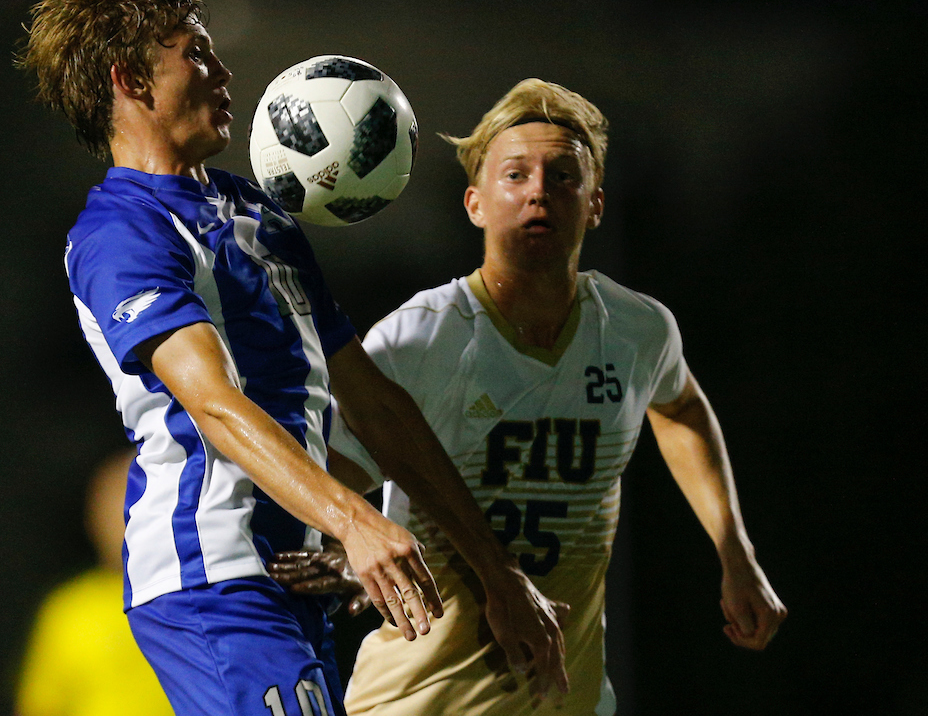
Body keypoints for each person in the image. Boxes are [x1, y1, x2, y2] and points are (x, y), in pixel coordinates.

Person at [16, 0, 570, 716]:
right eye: (195, 52)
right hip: (210, 579)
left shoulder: (257, 217)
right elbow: (211, 403)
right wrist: (353, 518)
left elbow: (374, 403)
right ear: (131, 81)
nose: (221, 71)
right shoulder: (123, 231)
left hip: (290, 576)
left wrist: (495, 574)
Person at [273, 79, 788, 715]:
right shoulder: (421, 338)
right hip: (423, 702)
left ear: (595, 203)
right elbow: (329, 482)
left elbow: (680, 408)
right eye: (515, 175)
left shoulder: (635, 329)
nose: (539, 190)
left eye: (563, 175)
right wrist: (345, 543)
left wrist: (735, 554)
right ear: (475, 204)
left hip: (567, 700)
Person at [16, 449, 173, 716]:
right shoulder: (70, 610)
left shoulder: (211, 596)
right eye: (113, 503)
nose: (125, 519)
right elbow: (40, 705)